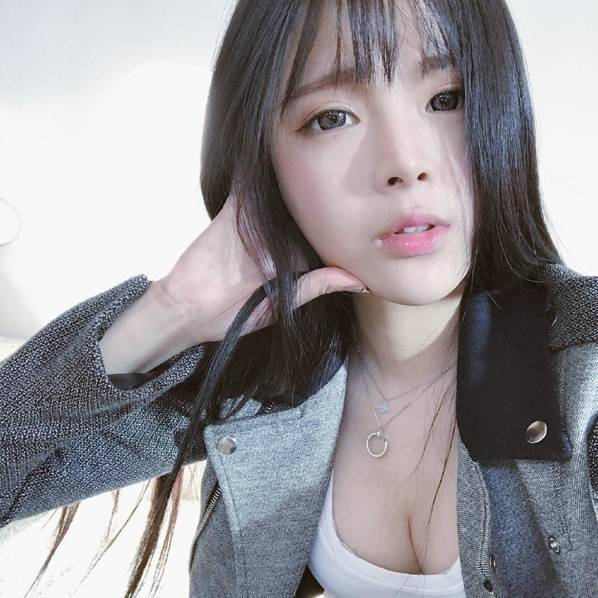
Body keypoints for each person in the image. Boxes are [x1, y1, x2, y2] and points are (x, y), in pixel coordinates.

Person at [1, 0, 597, 597]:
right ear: (264, 166)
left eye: (447, 99)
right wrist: (169, 312)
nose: (404, 162)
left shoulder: (585, 373)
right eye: (332, 118)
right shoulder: (262, 385)